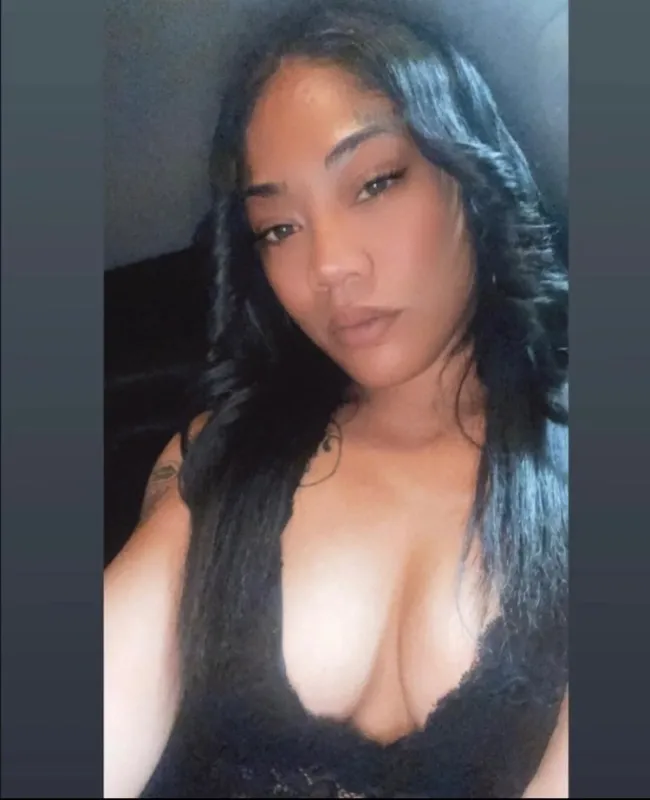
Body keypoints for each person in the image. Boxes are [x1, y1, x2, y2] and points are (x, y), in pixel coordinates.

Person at [104, 1, 568, 796]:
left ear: (468, 175)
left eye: (375, 183)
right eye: (278, 228)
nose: (328, 266)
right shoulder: (223, 459)